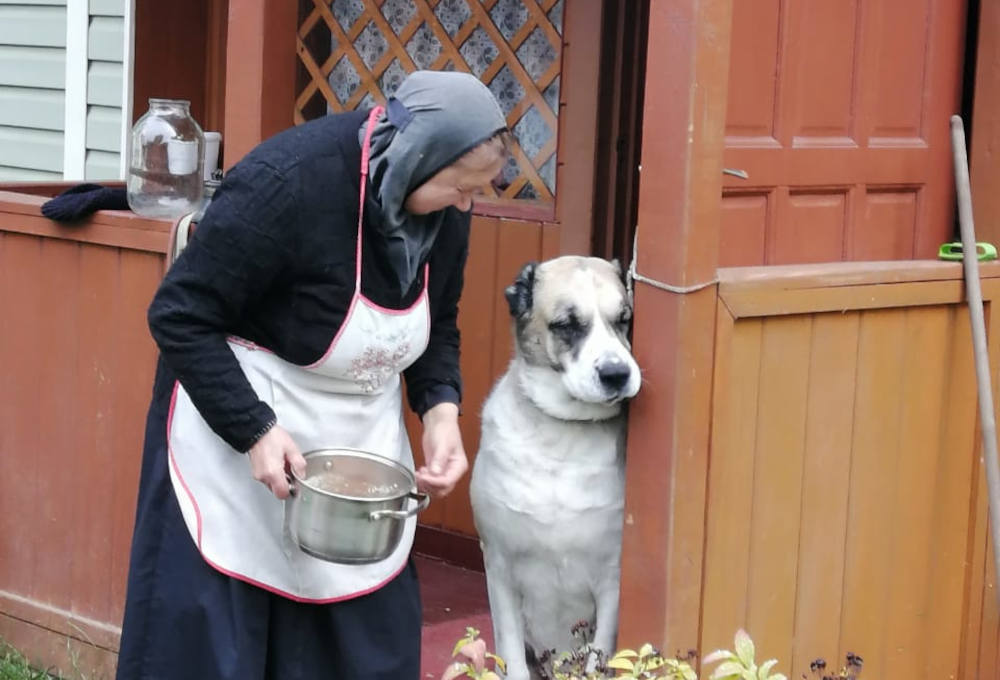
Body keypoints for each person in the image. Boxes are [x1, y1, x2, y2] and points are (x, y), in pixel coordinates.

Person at [115, 70, 509, 680]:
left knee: (364, 651)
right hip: (237, 437)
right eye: (460, 187)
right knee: (217, 655)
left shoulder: (447, 212)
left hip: (355, 443)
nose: (465, 205)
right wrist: (252, 429)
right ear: (415, 158)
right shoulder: (287, 182)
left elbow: (438, 323)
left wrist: (440, 411)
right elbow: (179, 313)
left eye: (476, 193)